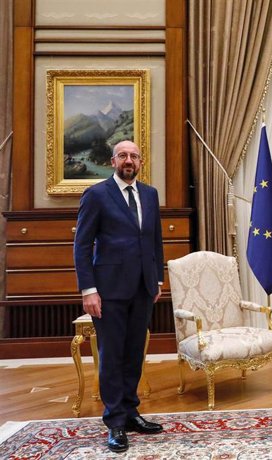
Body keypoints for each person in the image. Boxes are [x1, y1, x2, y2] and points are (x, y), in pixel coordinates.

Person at [74, 140, 165, 452]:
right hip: (108, 289)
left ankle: (130, 412)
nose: (129, 160)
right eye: (123, 155)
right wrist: (89, 290)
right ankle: (114, 422)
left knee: (133, 354)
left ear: (140, 161)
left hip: (143, 288)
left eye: (134, 156)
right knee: (112, 356)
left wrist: (157, 279)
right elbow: (82, 245)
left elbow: (154, 240)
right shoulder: (97, 194)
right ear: (113, 161)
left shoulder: (150, 194)